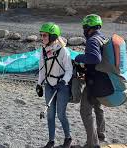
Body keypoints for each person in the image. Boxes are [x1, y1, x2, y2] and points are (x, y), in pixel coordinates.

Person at [74, 14, 114, 148]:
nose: (84, 30)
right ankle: (101, 135)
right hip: (104, 80)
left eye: (84, 27)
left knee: (85, 111)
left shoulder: (92, 40)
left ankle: (92, 144)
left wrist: (79, 57)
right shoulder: (102, 38)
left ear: (88, 27)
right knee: (98, 107)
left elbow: (95, 58)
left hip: (95, 82)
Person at [36, 22, 73, 148]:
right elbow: (42, 69)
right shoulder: (43, 50)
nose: (42, 38)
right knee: (50, 114)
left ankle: (68, 138)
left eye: (44, 35)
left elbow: (69, 70)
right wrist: (39, 84)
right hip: (49, 86)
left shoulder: (63, 51)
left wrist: (63, 82)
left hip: (62, 86)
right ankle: (51, 141)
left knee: (61, 114)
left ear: (52, 36)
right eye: (41, 35)